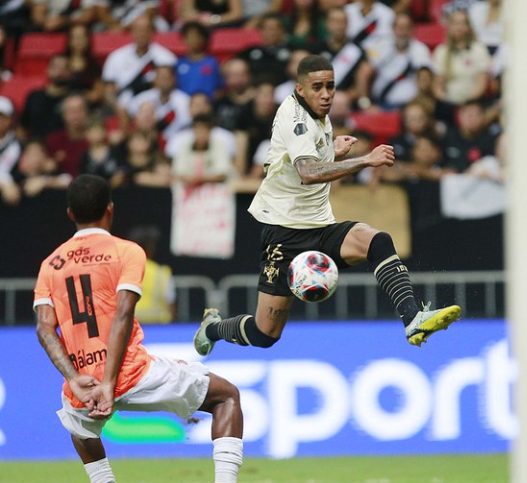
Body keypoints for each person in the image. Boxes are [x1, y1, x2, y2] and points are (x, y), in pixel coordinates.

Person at [193, 55, 461, 356]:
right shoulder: (296, 119)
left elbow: (307, 161)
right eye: (317, 87)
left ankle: (413, 319)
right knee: (265, 333)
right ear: (299, 89)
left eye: (330, 86)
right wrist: (365, 160)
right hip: (285, 233)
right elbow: (308, 173)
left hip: (319, 226)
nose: (325, 94)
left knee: (376, 241)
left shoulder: (319, 113)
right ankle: (213, 328)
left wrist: (331, 152)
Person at [33, 175, 265, 483]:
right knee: (226, 396)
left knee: (79, 425)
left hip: (83, 382)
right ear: (110, 210)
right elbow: (123, 314)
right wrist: (110, 383)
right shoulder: (126, 251)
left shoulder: (49, 265)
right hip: (131, 372)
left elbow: (43, 329)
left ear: (70, 214)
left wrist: (74, 380)